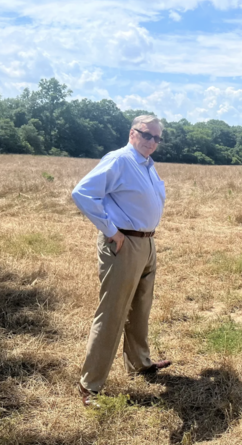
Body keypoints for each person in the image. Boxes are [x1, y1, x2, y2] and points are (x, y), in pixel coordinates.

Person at [71, 115, 170, 406]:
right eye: (147, 135)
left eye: (157, 138)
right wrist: (111, 231)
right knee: (112, 312)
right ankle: (90, 387)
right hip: (124, 243)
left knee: (140, 306)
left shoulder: (147, 165)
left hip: (146, 242)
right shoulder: (120, 160)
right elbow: (83, 193)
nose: (152, 142)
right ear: (132, 133)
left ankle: (140, 364)